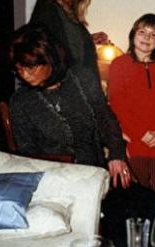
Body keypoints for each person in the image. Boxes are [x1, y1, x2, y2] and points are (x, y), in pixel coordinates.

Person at [8, 24, 131, 188]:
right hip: (55, 180)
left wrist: (116, 154)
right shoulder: (20, 101)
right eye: (19, 68)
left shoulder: (82, 78)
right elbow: (28, 153)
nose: (24, 74)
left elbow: (105, 117)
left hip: (95, 172)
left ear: (50, 59)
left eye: (31, 67)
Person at [108, 13, 155, 191]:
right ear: (133, 34)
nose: (147, 38)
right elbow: (117, 103)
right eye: (142, 32)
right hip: (133, 141)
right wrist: (139, 132)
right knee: (136, 195)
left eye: (153, 34)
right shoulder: (119, 65)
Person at [28, 0, 107, 77]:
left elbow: (62, 42)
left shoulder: (66, 12)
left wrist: (88, 39)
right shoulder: (47, 7)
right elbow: (46, 52)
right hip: (66, 85)